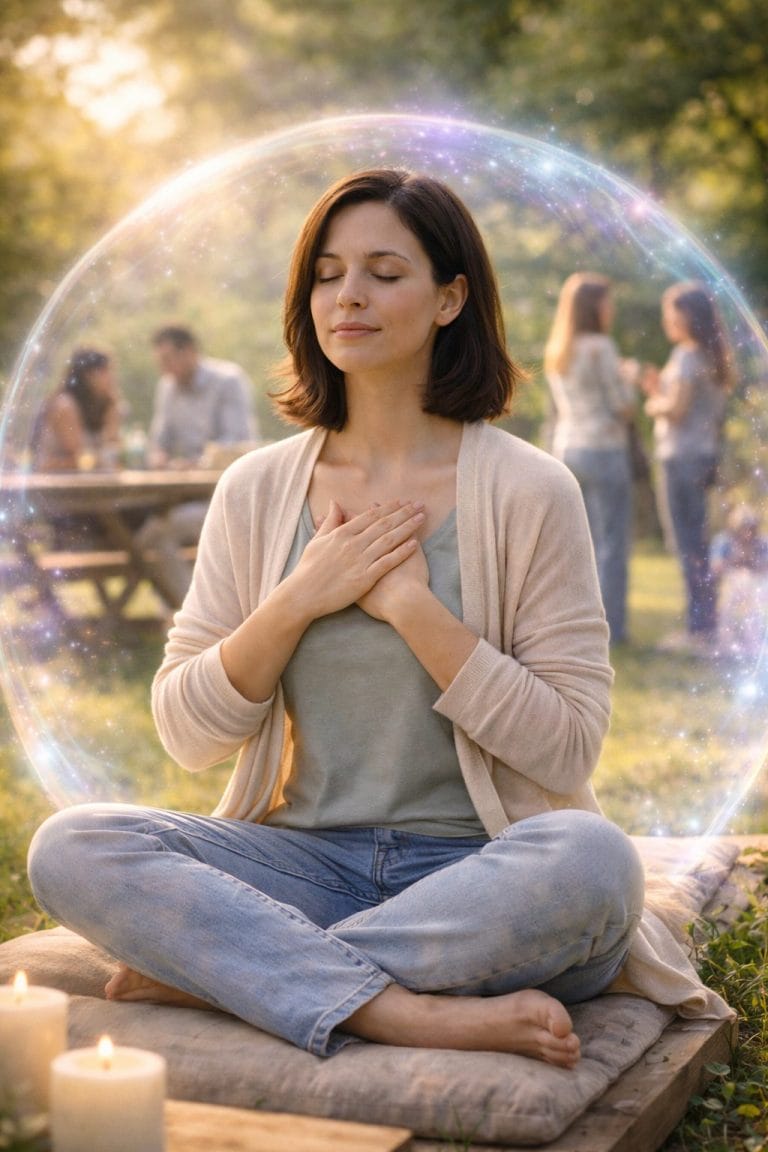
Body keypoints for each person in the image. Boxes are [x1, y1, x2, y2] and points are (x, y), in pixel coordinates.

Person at [27, 170, 731, 1069]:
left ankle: (238, 973)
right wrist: (299, 596)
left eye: (384, 271)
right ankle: (402, 1009)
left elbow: (565, 751)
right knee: (75, 844)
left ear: (450, 297)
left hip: (482, 879)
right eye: (327, 273)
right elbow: (187, 733)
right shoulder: (257, 490)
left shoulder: (529, 489)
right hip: (300, 871)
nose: (348, 295)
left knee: (594, 860)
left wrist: (410, 607)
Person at [134, 325, 258, 608]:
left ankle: (191, 613)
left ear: (189, 351)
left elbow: (237, 443)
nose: (164, 369)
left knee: (156, 536)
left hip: (226, 497)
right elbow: (160, 439)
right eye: (160, 362)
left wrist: (193, 463)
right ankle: (191, 611)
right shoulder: (167, 387)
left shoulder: (228, 380)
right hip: (183, 495)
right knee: (146, 536)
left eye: (167, 360)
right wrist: (159, 456)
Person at [544, 273, 637, 644]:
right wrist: (628, 378)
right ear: (594, 306)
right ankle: (612, 629)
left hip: (568, 451)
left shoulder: (558, 349)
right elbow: (622, 408)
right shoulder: (601, 347)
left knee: (574, 547)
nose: (611, 308)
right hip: (604, 450)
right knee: (613, 543)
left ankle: (570, 630)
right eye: (607, 301)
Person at [642, 282, 732, 654]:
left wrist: (652, 404)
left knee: (687, 544)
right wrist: (658, 391)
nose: (667, 320)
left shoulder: (686, 356)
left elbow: (675, 410)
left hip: (681, 457)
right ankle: (705, 624)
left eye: (671, 313)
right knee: (699, 541)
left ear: (687, 316)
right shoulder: (714, 358)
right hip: (705, 456)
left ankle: (698, 630)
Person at [32, 347, 121, 473]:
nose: (111, 377)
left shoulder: (103, 405)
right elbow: (80, 457)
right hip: (54, 484)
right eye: (104, 371)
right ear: (87, 375)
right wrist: (106, 457)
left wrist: (112, 410)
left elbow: (113, 447)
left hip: (81, 482)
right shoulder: (64, 405)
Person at [710, 504, 768, 661]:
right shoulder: (724, 541)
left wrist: (753, 562)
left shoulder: (762, 542)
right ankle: (725, 647)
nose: (747, 533)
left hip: (757, 584)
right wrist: (735, 561)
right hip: (732, 582)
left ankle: (754, 647)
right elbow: (716, 566)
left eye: (751, 528)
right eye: (743, 528)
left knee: (754, 611)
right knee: (726, 609)